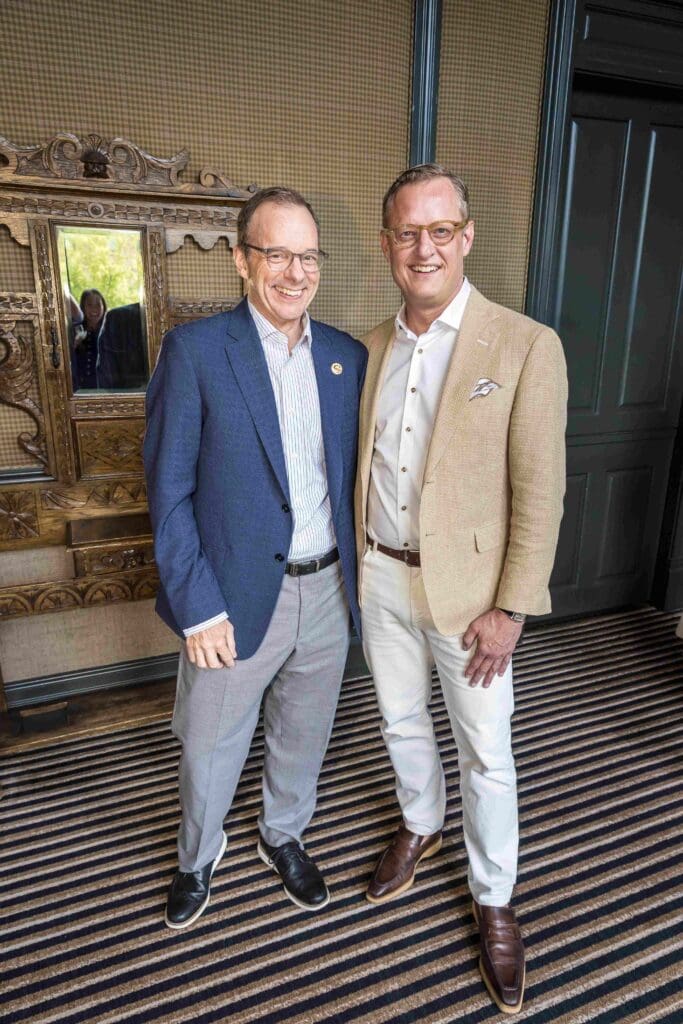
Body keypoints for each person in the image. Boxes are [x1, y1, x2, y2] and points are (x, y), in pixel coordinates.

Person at [355, 164, 567, 1014]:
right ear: (386, 245)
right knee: (398, 719)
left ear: (466, 237)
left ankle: (494, 898)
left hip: (474, 600)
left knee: (486, 752)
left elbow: (540, 488)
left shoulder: (523, 344)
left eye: (440, 230)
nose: (424, 247)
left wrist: (512, 605)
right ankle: (418, 821)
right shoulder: (367, 346)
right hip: (378, 574)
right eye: (408, 232)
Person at [144, 186, 367, 929]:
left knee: (304, 734)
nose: (294, 272)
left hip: (328, 589)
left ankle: (283, 836)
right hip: (231, 598)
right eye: (276, 254)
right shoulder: (198, 351)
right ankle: (196, 858)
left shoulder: (346, 356)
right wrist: (196, 605)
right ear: (242, 260)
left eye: (307, 256)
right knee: (210, 746)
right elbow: (168, 492)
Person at [71, 288, 106, 389]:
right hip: (80, 389)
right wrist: (73, 346)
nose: (94, 309)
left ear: (103, 307)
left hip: (104, 389)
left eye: (98, 305)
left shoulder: (109, 331)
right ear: (83, 307)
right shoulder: (75, 330)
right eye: (89, 305)